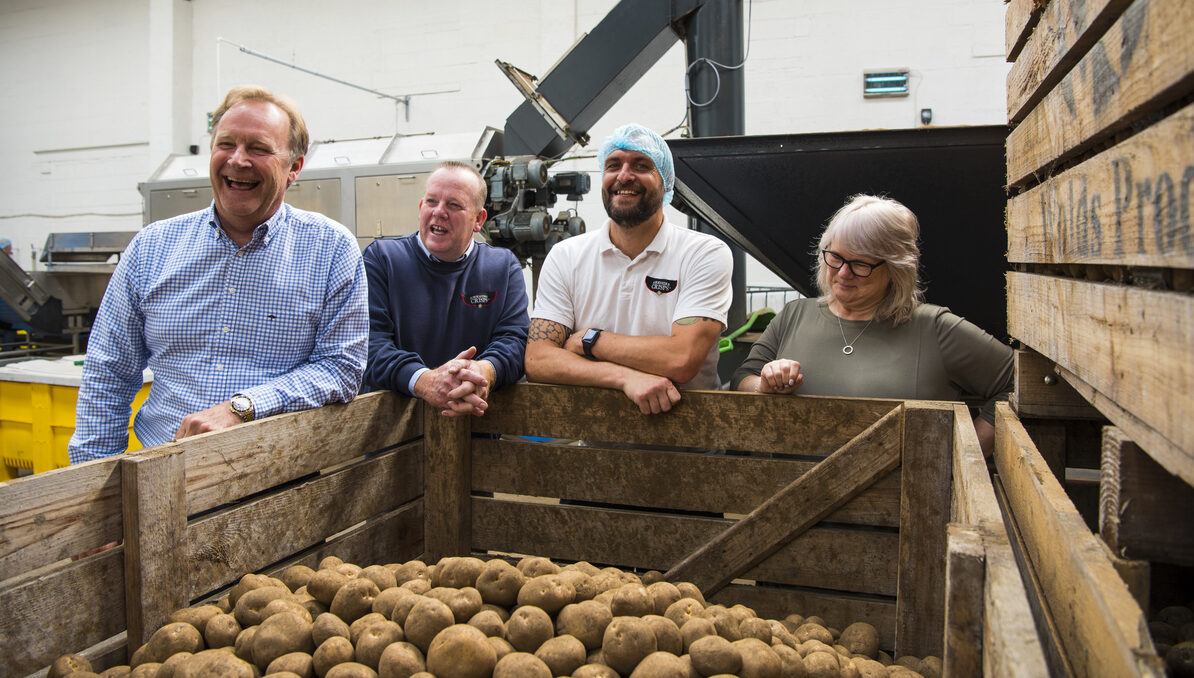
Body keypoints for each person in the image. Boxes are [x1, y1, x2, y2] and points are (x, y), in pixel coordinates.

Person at [68, 85, 369, 463]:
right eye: (226, 144)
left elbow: (341, 369)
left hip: (278, 479)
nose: (238, 160)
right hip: (161, 468)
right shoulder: (151, 248)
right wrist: (91, 482)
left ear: (294, 167)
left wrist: (243, 407)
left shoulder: (330, 249)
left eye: (258, 148)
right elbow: (108, 372)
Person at [732, 194, 1013, 454]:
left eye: (860, 264)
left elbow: (1017, 383)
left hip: (907, 504)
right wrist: (763, 385)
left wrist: (965, 455)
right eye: (835, 257)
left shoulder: (935, 328)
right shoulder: (794, 314)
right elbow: (741, 379)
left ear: (895, 268)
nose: (843, 273)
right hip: (791, 500)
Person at [525, 123, 733, 415]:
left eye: (641, 165)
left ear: (666, 182)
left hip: (690, 449)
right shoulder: (566, 256)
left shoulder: (702, 253)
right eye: (613, 165)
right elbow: (538, 361)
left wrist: (590, 340)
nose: (624, 175)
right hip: (596, 448)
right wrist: (625, 378)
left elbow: (681, 359)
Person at [362, 161, 528, 416]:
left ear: (479, 219)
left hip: (479, 432)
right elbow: (369, 344)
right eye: (431, 201)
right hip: (393, 441)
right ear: (420, 208)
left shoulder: (502, 268)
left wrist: (484, 371)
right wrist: (423, 380)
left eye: (454, 205)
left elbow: (514, 341)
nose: (439, 212)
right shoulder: (383, 260)